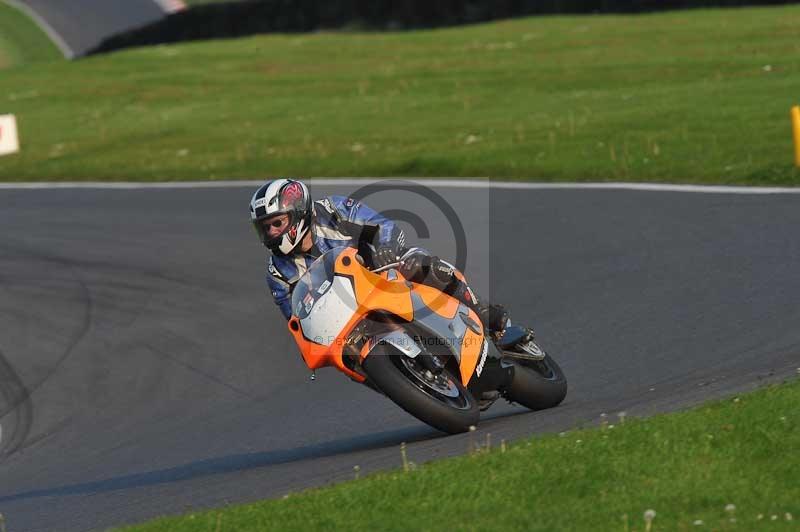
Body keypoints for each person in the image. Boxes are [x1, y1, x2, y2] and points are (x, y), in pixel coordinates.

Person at [249, 178, 509, 334]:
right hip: (348, 317)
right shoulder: (278, 274)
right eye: (265, 228)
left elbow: (382, 225)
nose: (272, 232)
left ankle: (481, 312)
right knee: (348, 359)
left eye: (277, 223)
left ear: (297, 213)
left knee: (420, 263)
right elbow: (295, 320)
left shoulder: (333, 211)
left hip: (383, 271)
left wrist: (385, 248)